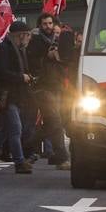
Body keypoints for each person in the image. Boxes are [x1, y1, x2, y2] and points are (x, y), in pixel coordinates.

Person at [26, 13, 73, 169]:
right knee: (55, 120)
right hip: (42, 86)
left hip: (56, 85)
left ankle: (27, 147)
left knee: (53, 122)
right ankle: (62, 157)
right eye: (45, 24)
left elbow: (65, 59)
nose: (48, 26)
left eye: (50, 23)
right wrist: (47, 56)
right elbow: (31, 61)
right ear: (40, 25)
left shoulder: (57, 40)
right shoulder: (35, 41)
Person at [0, 20, 35, 173]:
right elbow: (1, 72)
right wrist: (20, 77)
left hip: (17, 95)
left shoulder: (19, 49)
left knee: (5, 130)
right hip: (7, 95)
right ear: (21, 35)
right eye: (27, 35)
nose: (29, 38)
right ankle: (19, 162)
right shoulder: (4, 49)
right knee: (16, 128)